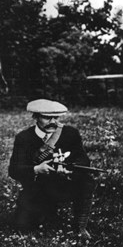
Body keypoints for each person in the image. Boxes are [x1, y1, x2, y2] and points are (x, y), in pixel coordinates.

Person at [8, 99, 95, 237]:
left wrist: (69, 171)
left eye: (56, 117)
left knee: (87, 181)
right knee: (23, 227)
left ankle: (80, 226)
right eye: (47, 118)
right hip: (36, 187)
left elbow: (83, 160)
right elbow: (14, 170)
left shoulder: (70, 133)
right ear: (35, 117)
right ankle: (45, 212)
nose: (53, 121)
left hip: (63, 184)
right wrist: (37, 169)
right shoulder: (24, 138)